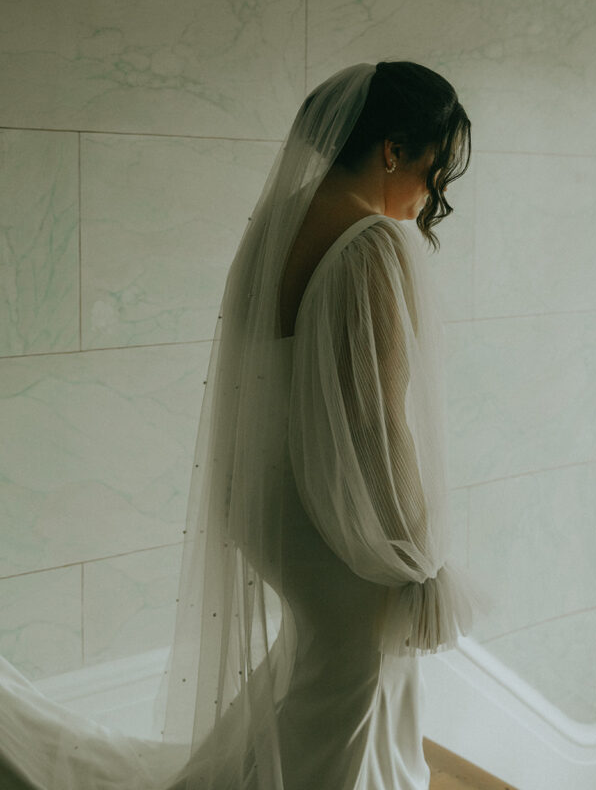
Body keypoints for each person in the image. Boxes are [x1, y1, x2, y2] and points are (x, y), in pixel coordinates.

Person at [0, 61, 491, 790]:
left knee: (319, 671)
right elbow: (376, 420)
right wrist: (413, 554)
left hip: (273, 510)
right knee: (346, 680)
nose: (430, 194)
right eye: (431, 167)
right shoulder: (370, 245)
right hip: (336, 519)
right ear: (390, 150)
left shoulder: (280, 220)